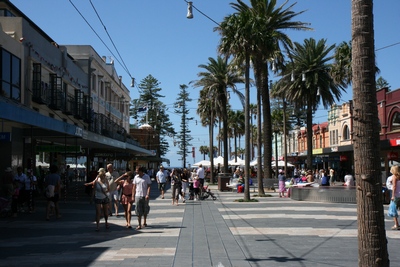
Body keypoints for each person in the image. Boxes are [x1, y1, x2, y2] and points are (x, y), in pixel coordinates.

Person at [389, 165, 400, 230]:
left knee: (393, 210)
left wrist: (393, 196)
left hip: (396, 195)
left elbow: (394, 187)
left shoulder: (394, 176)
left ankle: (396, 224)